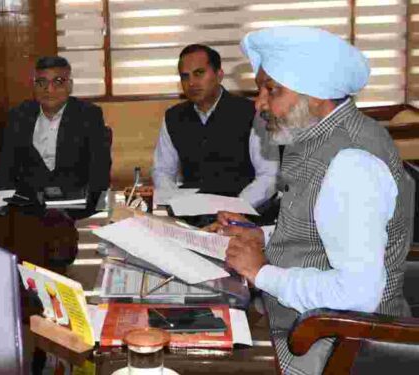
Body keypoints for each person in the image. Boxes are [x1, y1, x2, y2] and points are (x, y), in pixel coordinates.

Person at [206, 26, 415, 374]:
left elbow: (356, 296)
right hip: (297, 318)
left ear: (315, 94)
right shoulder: (318, 135)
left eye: (271, 91)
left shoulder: (351, 163)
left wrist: (260, 272)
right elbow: (322, 226)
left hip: (336, 345)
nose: (259, 104)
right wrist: (262, 235)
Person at [152, 44, 279, 208]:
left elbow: (269, 175)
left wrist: (235, 207)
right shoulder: (173, 117)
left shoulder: (252, 113)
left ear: (219, 75)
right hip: (190, 212)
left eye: (199, 73)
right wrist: (176, 202)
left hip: (243, 212)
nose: (191, 83)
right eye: (185, 76)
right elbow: (162, 171)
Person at [0, 56, 111, 195]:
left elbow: (99, 170)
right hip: (29, 205)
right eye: (42, 82)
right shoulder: (19, 116)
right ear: (34, 86)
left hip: (77, 205)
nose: (49, 89)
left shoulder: (89, 115)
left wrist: (87, 203)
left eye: (58, 82)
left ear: (70, 86)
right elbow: (5, 168)